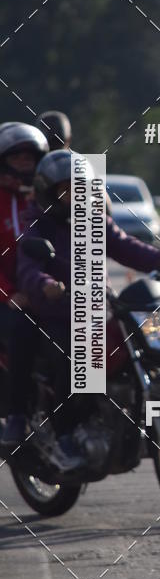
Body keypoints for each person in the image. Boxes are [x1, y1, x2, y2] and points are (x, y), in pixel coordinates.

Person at [15, 150, 160, 469]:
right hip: (57, 313)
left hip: (98, 308)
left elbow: (128, 247)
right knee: (74, 359)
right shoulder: (36, 226)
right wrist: (45, 284)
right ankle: (65, 436)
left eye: (81, 187)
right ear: (47, 192)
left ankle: (125, 416)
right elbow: (27, 267)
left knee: (132, 347)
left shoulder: (94, 221)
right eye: (66, 189)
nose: (75, 195)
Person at [0, 123, 49, 450]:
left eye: (30, 157)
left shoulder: (48, 198)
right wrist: (9, 294)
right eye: (16, 157)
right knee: (21, 331)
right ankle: (16, 416)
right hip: (9, 298)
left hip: (46, 291)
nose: (24, 163)